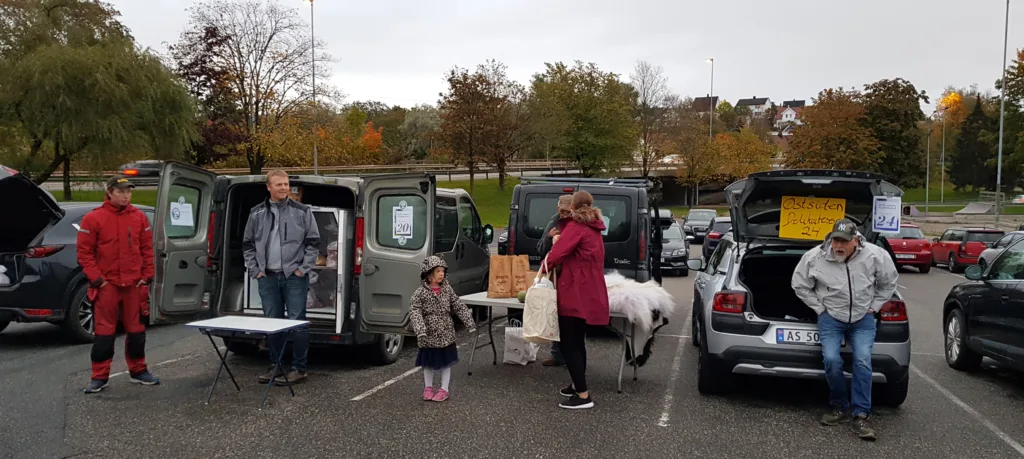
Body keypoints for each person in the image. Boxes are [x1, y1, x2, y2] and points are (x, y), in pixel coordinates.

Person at [791, 218, 898, 441]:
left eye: (844, 241)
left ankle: (861, 414)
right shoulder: (815, 257)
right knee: (831, 359)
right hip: (831, 317)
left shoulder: (875, 255)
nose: (838, 246)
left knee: (862, 360)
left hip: (863, 318)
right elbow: (799, 284)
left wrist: (875, 306)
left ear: (856, 240)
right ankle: (839, 405)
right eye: (835, 240)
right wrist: (820, 308)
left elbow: (889, 282)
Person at [78, 176, 159, 393]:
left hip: (134, 284)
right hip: (107, 285)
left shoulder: (139, 217)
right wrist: (98, 280)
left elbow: (147, 249)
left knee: (137, 331)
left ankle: (139, 370)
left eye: (128, 192)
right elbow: (85, 253)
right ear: (110, 192)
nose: (126, 196)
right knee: (104, 333)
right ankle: (99, 376)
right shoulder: (93, 218)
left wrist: (147, 275)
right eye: (121, 191)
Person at [242, 170, 320, 385]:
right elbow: (248, 245)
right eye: (279, 184)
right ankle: (275, 365)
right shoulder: (256, 213)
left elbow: (313, 242)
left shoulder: (302, 211)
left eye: (286, 184)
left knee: (298, 323)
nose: (284, 188)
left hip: (294, 277)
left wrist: (302, 269)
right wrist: (255, 270)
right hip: (267, 277)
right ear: (269, 187)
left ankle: (299, 368)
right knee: (272, 323)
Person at [542, 190, 609, 410]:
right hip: (590, 290)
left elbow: (556, 256)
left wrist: (545, 265)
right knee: (578, 342)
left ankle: (583, 395)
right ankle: (576, 384)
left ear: (572, 207)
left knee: (569, 343)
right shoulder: (594, 228)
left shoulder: (576, 228)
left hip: (573, 290)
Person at [410, 256, 476, 402]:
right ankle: (428, 387)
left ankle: (444, 389)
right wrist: (420, 329)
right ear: (428, 274)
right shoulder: (420, 293)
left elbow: (458, 305)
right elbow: (415, 311)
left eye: (443, 271)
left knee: (446, 362)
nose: (441, 274)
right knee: (428, 363)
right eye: (438, 271)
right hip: (428, 335)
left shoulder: (447, 289)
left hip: (446, 333)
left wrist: (469, 322)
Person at [535, 194, 573, 367]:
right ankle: (557, 354)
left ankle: (571, 354)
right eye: (561, 211)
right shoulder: (553, 223)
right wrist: (549, 237)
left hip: (571, 276)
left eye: (567, 211)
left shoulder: (577, 224)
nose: (564, 215)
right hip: (555, 276)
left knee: (570, 318)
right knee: (554, 313)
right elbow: (540, 249)